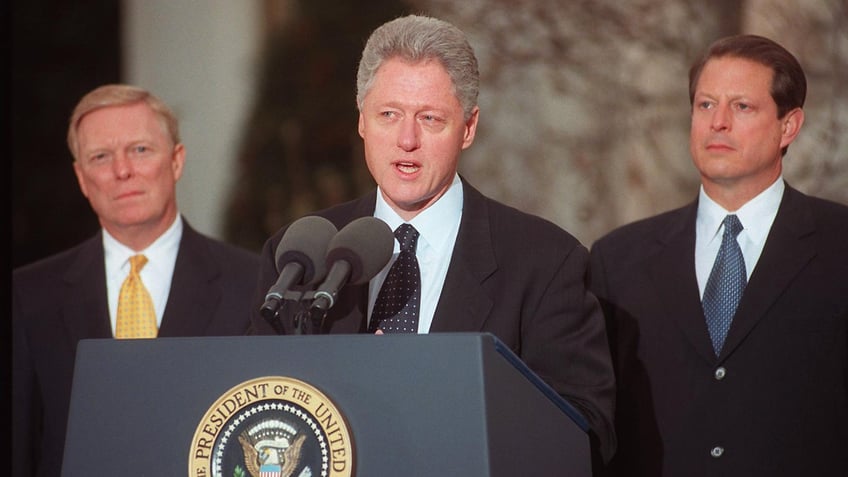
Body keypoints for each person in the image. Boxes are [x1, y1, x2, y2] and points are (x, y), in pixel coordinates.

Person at [248, 14, 616, 465]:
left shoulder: (545, 261)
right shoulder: (300, 254)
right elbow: (255, 402)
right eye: (389, 115)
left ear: (468, 127)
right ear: (362, 120)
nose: (407, 140)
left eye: (430, 119)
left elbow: (584, 430)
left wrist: (429, 390)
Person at [588, 34, 848, 476]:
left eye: (742, 107)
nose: (718, 123)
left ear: (789, 126)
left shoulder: (840, 244)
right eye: (706, 105)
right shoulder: (618, 259)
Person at [12, 84, 261, 477]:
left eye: (140, 150)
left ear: (176, 161)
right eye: (100, 156)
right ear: (81, 177)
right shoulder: (29, 296)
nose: (122, 170)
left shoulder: (252, 283)